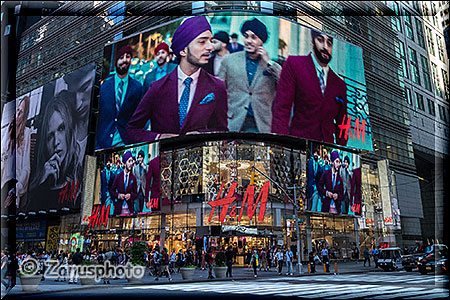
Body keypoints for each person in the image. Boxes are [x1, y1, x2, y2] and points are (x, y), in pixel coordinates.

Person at [126, 16, 228, 143]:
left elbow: (222, 132)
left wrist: (200, 135)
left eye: (210, 41)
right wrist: (159, 138)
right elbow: (132, 130)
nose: (210, 47)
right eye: (202, 42)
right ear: (183, 50)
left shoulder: (217, 87)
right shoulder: (157, 87)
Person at [271, 29, 348, 146]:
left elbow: (342, 123)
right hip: (298, 146)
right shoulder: (294, 64)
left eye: (329, 43)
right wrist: (281, 145)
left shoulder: (339, 85)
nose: (325, 47)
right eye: (320, 40)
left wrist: (341, 151)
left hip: (327, 152)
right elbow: (281, 109)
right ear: (313, 41)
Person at [218, 18, 281, 133]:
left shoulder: (270, 65)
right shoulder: (229, 60)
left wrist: (269, 62)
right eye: (246, 36)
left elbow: (284, 85)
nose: (248, 41)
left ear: (262, 40)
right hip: (234, 122)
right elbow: (219, 90)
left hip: (261, 124)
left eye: (254, 37)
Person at [28, 90, 83, 212]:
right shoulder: (40, 181)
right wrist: (41, 182)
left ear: (71, 129)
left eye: (61, 128)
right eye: (50, 136)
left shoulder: (82, 179)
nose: (56, 141)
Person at [96, 45, 144, 149]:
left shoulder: (137, 87)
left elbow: (140, 117)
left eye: (128, 57)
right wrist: (96, 145)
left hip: (126, 143)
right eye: (121, 57)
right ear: (116, 61)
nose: (125, 60)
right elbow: (98, 117)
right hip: (104, 143)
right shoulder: (105, 87)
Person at [14, 96, 32, 209]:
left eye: (21, 112)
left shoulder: (26, 133)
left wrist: (18, 186)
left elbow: (26, 167)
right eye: (17, 110)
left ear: (24, 115)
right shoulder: (6, 131)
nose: (17, 116)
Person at [110, 151, 138, 216]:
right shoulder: (118, 176)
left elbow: (136, 194)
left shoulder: (133, 178)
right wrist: (118, 196)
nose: (131, 163)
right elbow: (111, 191)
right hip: (119, 209)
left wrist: (130, 196)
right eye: (129, 161)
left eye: (132, 161)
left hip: (129, 209)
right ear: (124, 163)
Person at [307, 147, 324, 212]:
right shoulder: (310, 162)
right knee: (309, 204)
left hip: (316, 188)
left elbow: (320, 175)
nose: (316, 155)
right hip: (310, 186)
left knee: (314, 207)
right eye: (315, 153)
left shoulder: (319, 165)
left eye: (317, 153)